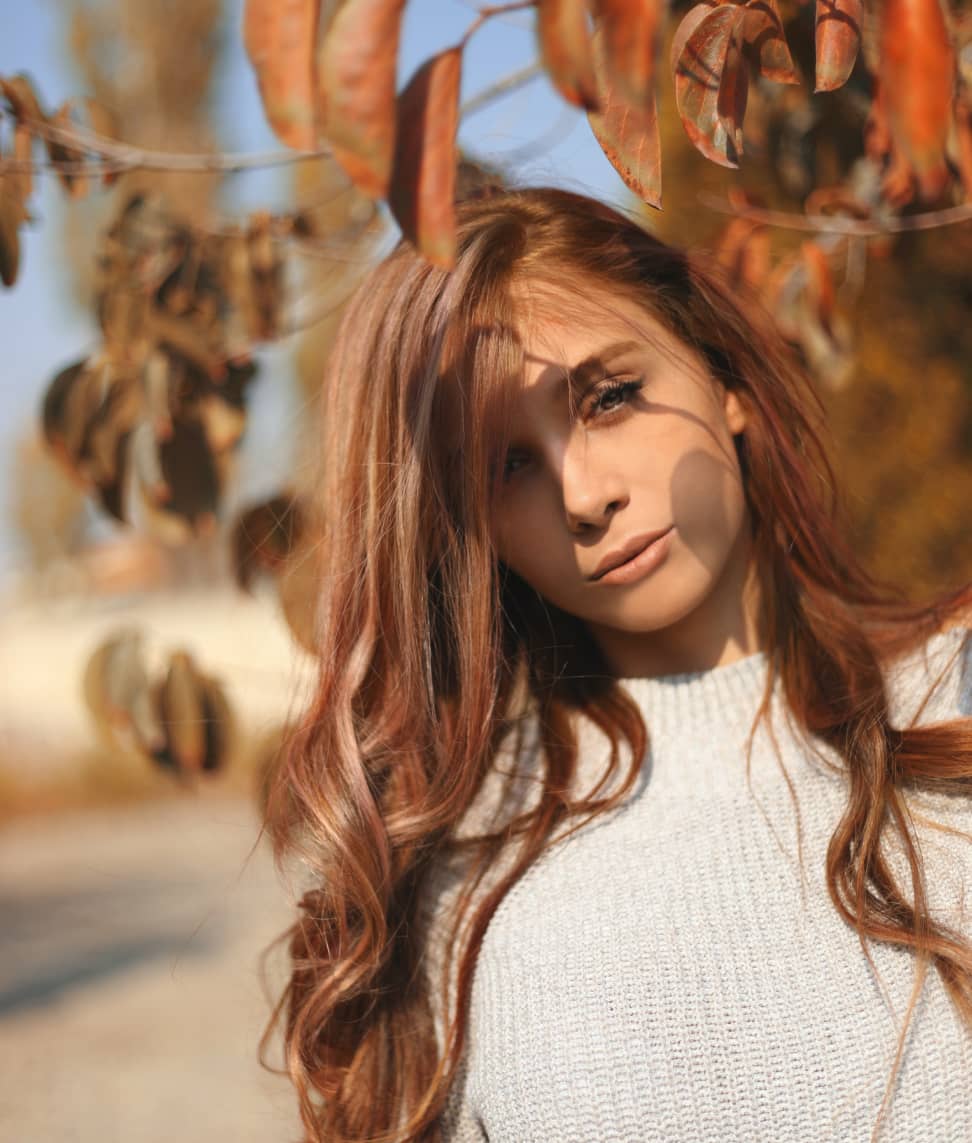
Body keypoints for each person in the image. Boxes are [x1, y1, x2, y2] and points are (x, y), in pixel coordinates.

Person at [262, 186, 972, 1143]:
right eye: (506, 466)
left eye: (609, 396)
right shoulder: (458, 868)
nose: (585, 493)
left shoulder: (952, 698)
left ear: (722, 376)